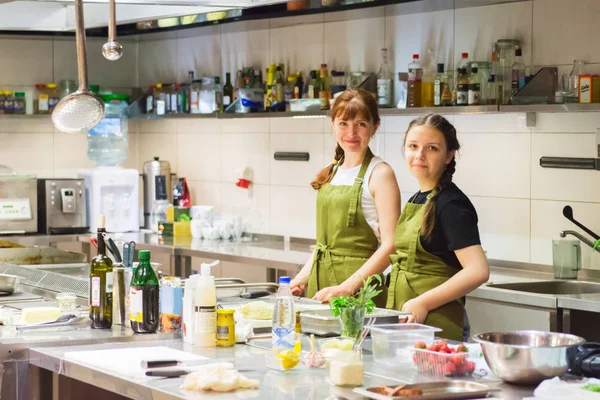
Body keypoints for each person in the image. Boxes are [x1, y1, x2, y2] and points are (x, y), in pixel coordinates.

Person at [290, 88, 401, 305]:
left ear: (374, 127)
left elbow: (392, 245)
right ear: (332, 124)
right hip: (321, 287)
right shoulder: (331, 171)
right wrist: (300, 279)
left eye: (360, 124)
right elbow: (325, 246)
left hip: (359, 292)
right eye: (343, 123)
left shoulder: (380, 173)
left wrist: (346, 288)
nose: (351, 133)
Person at [386, 114, 489, 341]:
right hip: (410, 324)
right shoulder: (418, 198)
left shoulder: (451, 204)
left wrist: (422, 302)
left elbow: (478, 270)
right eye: (413, 146)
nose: (419, 155)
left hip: (438, 327)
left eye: (432, 148)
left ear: (448, 156)